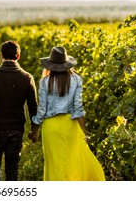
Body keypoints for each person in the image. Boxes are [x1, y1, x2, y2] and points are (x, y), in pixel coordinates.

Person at [28, 46, 105, 181]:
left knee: (55, 166)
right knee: (73, 164)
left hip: (51, 127)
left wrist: (35, 130)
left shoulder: (45, 81)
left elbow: (42, 110)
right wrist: (84, 131)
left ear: (51, 65)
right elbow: (78, 108)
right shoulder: (76, 80)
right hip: (71, 125)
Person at [0, 40, 38, 181]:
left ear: (1, 55)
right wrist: (34, 129)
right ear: (18, 56)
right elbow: (33, 106)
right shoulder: (27, 77)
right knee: (12, 169)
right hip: (16, 129)